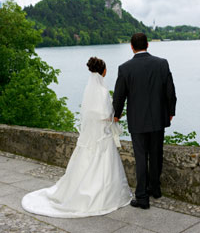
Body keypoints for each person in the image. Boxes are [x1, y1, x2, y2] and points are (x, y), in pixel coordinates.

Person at [22, 57, 132, 218]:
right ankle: (104, 195)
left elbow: (89, 113)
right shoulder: (102, 91)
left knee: (86, 162)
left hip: (91, 135)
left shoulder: (89, 89)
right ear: (103, 71)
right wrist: (116, 115)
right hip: (102, 134)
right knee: (104, 163)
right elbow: (105, 114)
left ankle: (84, 191)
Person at [113, 33, 177, 209]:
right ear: (147, 45)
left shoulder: (125, 68)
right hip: (158, 118)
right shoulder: (162, 64)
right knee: (156, 154)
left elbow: (119, 97)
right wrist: (170, 111)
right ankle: (155, 189)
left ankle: (142, 197)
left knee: (141, 157)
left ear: (131, 47)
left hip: (137, 121)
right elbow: (170, 91)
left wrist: (116, 114)